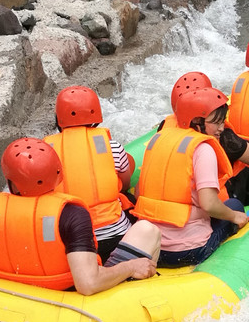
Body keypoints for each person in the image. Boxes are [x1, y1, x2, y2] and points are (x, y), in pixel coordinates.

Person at [0, 138, 157, 293]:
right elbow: (88, 284)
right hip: (68, 295)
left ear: (10, 182)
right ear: (59, 176)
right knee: (147, 230)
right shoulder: (72, 214)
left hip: (13, 293)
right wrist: (130, 266)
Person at [43, 85, 161, 266]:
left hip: (70, 243)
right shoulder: (112, 146)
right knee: (129, 200)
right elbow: (125, 181)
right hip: (114, 238)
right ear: (96, 114)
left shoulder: (46, 152)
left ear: (59, 118)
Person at [134, 90, 248, 269]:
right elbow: (209, 204)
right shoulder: (203, 149)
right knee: (235, 205)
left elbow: (138, 192)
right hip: (189, 251)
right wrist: (235, 216)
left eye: (222, 122)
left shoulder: (157, 140)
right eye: (216, 123)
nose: (221, 128)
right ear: (196, 121)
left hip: (148, 246)